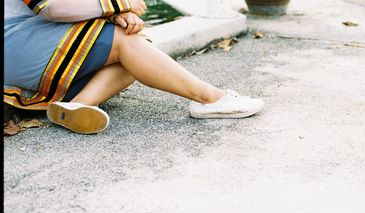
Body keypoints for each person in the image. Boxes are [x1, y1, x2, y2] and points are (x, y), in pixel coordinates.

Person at [4, 0, 265, 134]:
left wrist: (114, 15)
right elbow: (52, 8)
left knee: (137, 51)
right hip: (12, 42)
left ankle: (77, 106)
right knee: (126, 44)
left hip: (30, 41)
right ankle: (208, 98)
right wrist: (117, 5)